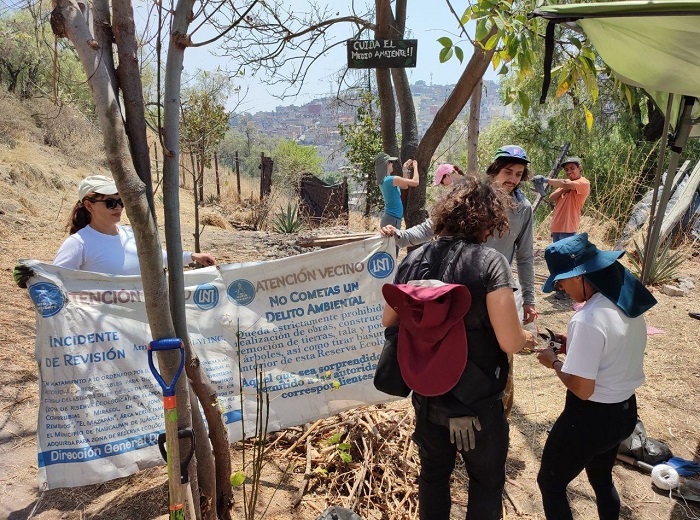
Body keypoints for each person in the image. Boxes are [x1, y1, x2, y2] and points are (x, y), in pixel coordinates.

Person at [382, 176, 537, 520]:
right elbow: (509, 340)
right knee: (485, 483)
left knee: (433, 477)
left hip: (428, 397)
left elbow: (388, 321)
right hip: (477, 399)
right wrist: (530, 339)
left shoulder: (413, 260)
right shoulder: (490, 263)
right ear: (489, 220)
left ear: (444, 215)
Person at [382, 145, 536, 417]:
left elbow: (524, 258)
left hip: (497, 291)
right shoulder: (469, 197)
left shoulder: (523, 210)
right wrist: (398, 236)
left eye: (519, 174)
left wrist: (529, 300)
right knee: (454, 351)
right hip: (454, 289)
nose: (512, 178)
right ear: (494, 170)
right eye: (508, 171)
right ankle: (450, 414)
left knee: (494, 357)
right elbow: (429, 228)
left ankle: (492, 416)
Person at [535, 233, 657, 520]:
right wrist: (570, 345)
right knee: (602, 480)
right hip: (624, 413)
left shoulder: (587, 319)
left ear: (580, 276)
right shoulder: (626, 305)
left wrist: (553, 361)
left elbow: (582, 388)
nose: (562, 289)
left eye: (562, 281)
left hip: (589, 420)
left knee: (550, 484)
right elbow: (612, 350)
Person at [52, 175, 215, 275]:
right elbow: (55, 282)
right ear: (89, 206)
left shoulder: (131, 234)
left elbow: (157, 257)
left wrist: (192, 257)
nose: (118, 207)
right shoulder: (78, 243)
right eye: (110, 203)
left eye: (121, 201)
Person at [374, 152, 420, 229]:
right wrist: (415, 167)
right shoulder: (391, 180)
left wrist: (404, 169)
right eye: (390, 162)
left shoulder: (384, 180)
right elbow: (415, 182)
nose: (392, 164)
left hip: (390, 218)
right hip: (392, 220)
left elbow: (404, 186)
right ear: (386, 164)